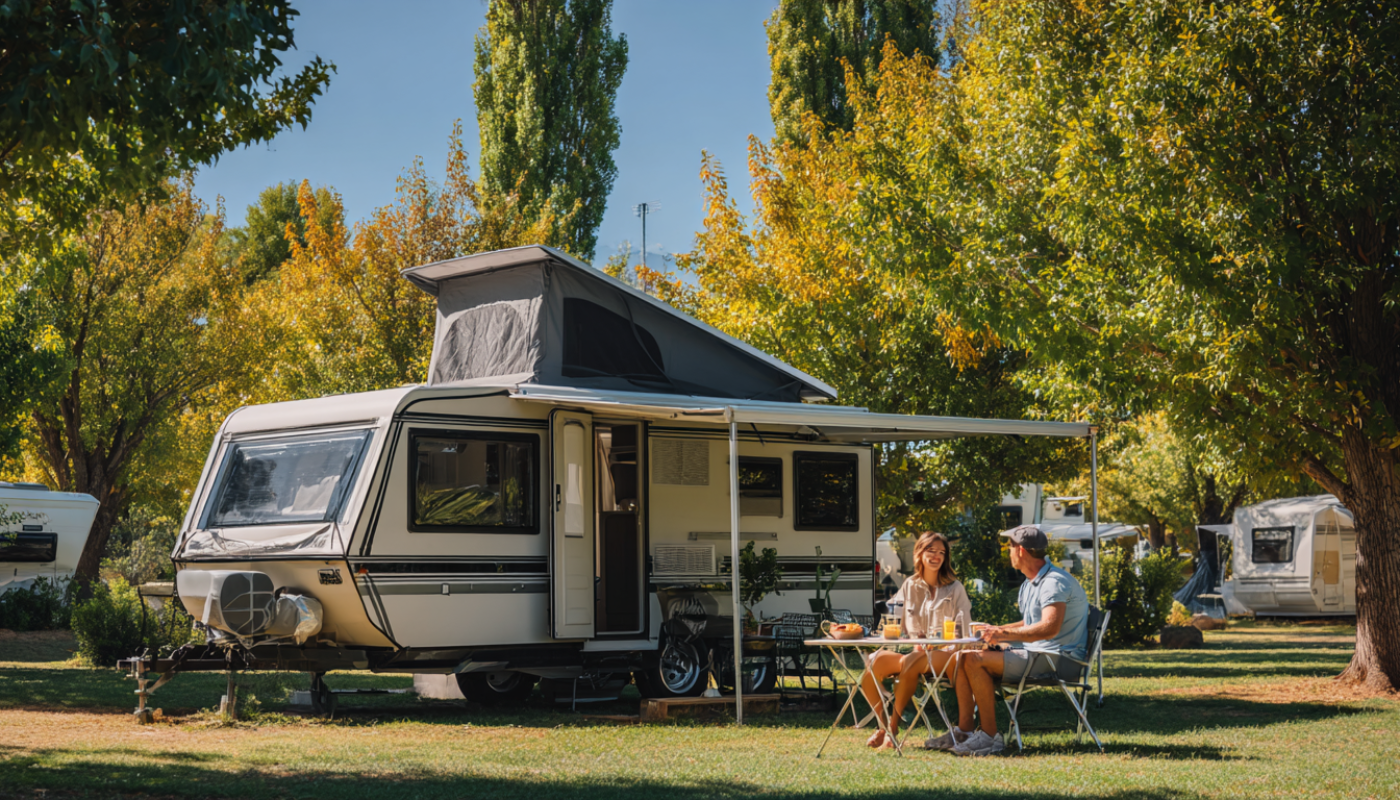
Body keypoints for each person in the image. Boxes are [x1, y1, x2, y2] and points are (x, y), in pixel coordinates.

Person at [940, 524, 1089, 757]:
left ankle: (990, 738)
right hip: (1040, 654)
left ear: (1020, 550)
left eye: (1008, 547)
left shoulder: (1053, 582)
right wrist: (996, 630)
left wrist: (1002, 635)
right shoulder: (1032, 583)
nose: (1007, 552)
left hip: (1058, 660)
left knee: (973, 659)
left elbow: (1049, 628)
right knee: (963, 655)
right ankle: (966, 731)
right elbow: (1030, 622)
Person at [860, 531, 971, 749]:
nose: (937, 556)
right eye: (931, 551)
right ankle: (882, 726)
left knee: (912, 660)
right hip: (916, 654)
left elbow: (964, 629)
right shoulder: (910, 585)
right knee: (874, 660)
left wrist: (941, 640)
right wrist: (889, 628)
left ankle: (892, 728)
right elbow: (893, 617)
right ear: (919, 553)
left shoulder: (955, 587)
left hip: (945, 655)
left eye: (941, 552)